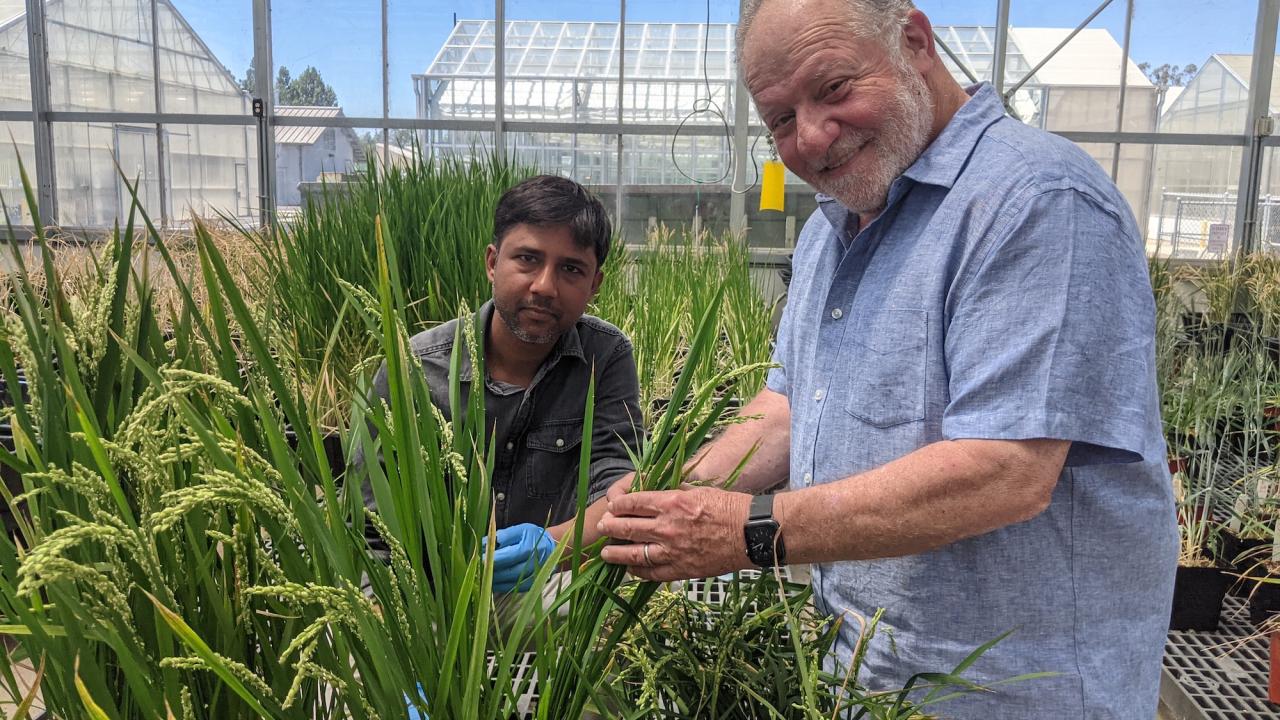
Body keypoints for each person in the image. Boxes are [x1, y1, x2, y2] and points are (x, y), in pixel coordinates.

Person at [596, 1, 1177, 717]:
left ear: (914, 41)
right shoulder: (830, 231)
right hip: (865, 677)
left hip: (1012, 693)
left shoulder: (1035, 199)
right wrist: (660, 503)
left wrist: (744, 531)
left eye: (834, 88)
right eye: (779, 119)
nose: (810, 137)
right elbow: (786, 409)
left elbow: (1006, 471)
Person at [362, 174, 643, 593]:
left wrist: (554, 546)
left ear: (594, 285)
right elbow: (372, 526)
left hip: (554, 580)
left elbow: (621, 489)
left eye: (570, 269)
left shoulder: (606, 356)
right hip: (432, 593)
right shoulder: (414, 369)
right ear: (493, 262)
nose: (544, 286)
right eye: (528, 259)